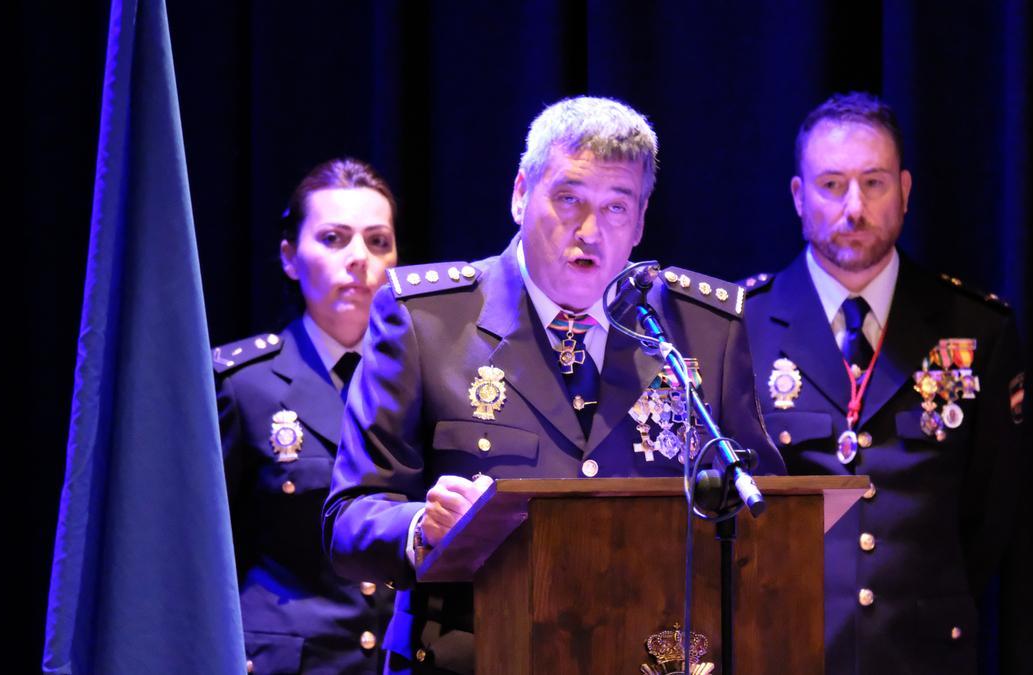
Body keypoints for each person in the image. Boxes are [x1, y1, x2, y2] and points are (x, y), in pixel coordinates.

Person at [323, 96, 785, 675]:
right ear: (521, 194)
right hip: (477, 654)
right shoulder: (426, 319)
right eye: (568, 199)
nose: (589, 231)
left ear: (640, 222)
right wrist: (419, 528)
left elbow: (768, 513)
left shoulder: (701, 330)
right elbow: (349, 517)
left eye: (617, 207)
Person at [741, 92, 1027, 674]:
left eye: (873, 183)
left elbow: (990, 511)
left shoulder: (975, 327)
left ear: (904, 191)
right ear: (799, 197)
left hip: (923, 653)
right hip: (783, 650)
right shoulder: (738, 327)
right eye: (831, 185)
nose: (853, 208)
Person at [214, 158, 398, 673]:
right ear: (290, 258)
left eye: (378, 241)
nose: (359, 258)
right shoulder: (242, 384)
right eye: (335, 239)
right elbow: (206, 550)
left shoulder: (424, 381)